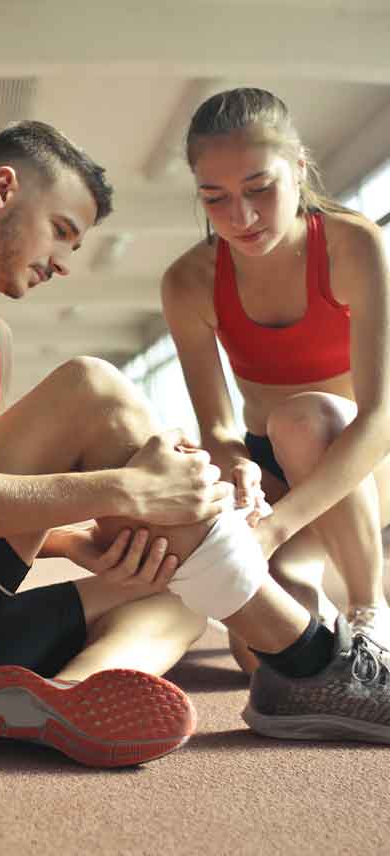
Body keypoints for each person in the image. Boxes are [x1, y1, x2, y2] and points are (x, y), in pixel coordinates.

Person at [0, 121, 390, 771]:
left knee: (175, 592)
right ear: (3, 188)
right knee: (92, 387)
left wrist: (80, 543)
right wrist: (122, 490)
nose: (66, 261)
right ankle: (314, 659)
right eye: (63, 230)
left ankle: (66, 696)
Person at [161, 87, 390, 672]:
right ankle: (312, 596)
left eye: (260, 189)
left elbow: (380, 415)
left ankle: (371, 610)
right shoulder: (188, 282)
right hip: (277, 471)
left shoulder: (356, 245)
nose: (241, 218)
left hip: (364, 458)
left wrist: (279, 527)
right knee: (264, 658)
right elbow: (215, 424)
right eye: (215, 198)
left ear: (300, 169)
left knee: (303, 416)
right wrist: (239, 465)